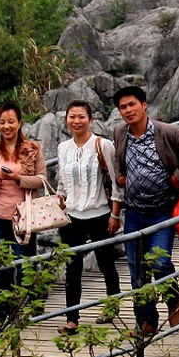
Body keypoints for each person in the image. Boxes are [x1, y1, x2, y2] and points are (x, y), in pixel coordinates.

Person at [112, 85, 179, 338]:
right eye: (123, 107)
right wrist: (122, 177)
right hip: (134, 211)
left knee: (161, 261)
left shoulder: (168, 132)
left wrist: (178, 178)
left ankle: (173, 300)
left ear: (144, 105)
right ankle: (146, 322)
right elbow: (117, 162)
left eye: (132, 104)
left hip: (162, 209)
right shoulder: (120, 133)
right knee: (137, 270)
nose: (128, 110)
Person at [0, 102, 47, 325]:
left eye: (11, 122)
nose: (6, 126)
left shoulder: (32, 148)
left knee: (23, 262)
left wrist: (19, 179)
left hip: (23, 215)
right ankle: (2, 315)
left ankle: (32, 307)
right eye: (2, 122)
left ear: (19, 123)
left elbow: (42, 179)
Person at [55, 100, 123, 335]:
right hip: (71, 216)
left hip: (100, 213)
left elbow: (115, 182)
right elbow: (62, 183)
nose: (76, 121)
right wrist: (59, 203)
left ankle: (113, 306)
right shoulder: (63, 148)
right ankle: (72, 318)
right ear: (66, 119)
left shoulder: (103, 145)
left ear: (90, 119)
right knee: (72, 267)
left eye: (81, 116)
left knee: (106, 263)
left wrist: (115, 214)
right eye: (72, 116)